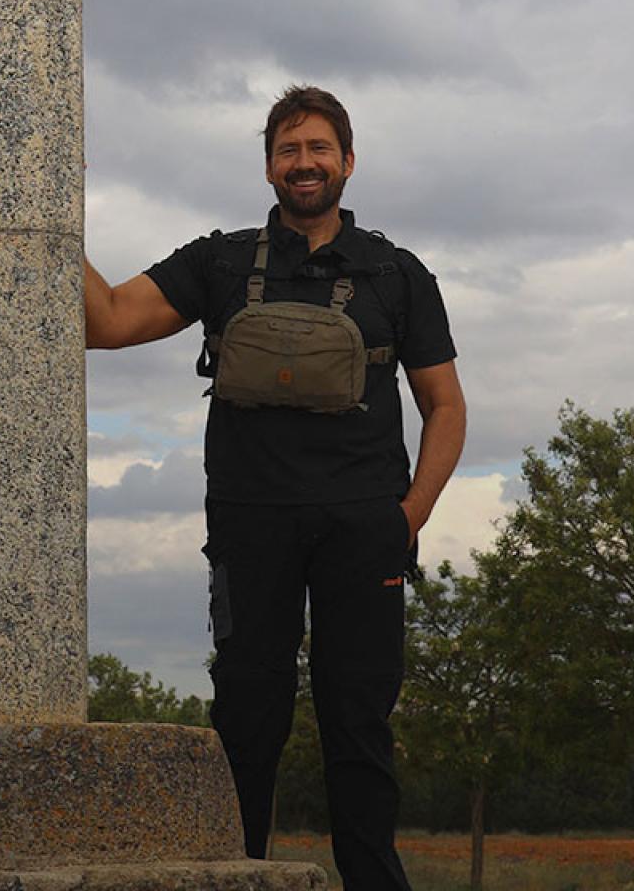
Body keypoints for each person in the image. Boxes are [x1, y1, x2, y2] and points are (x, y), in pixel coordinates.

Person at [83, 85, 465, 890]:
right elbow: (107, 320)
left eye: (319, 149)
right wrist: (47, 218)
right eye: (289, 150)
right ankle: (238, 876)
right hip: (250, 529)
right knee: (246, 724)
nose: (304, 164)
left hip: (366, 531)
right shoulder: (219, 263)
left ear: (348, 163)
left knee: (358, 728)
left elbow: (446, 406)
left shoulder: (396, 274)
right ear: (268, 166)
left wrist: (407, 519)